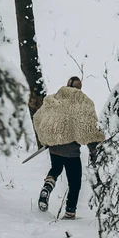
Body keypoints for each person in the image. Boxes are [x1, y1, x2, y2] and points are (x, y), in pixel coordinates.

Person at [33, 76, 105, 220]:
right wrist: (93, 149)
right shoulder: (82, 102)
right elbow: (89, 128)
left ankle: (47, 187)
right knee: (75, 182)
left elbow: (40, 116)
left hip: (54, 148)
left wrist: (46, 139)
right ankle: (70, 213)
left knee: (55, 169)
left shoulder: (56, 98)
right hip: (71, 152)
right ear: (79, 88)